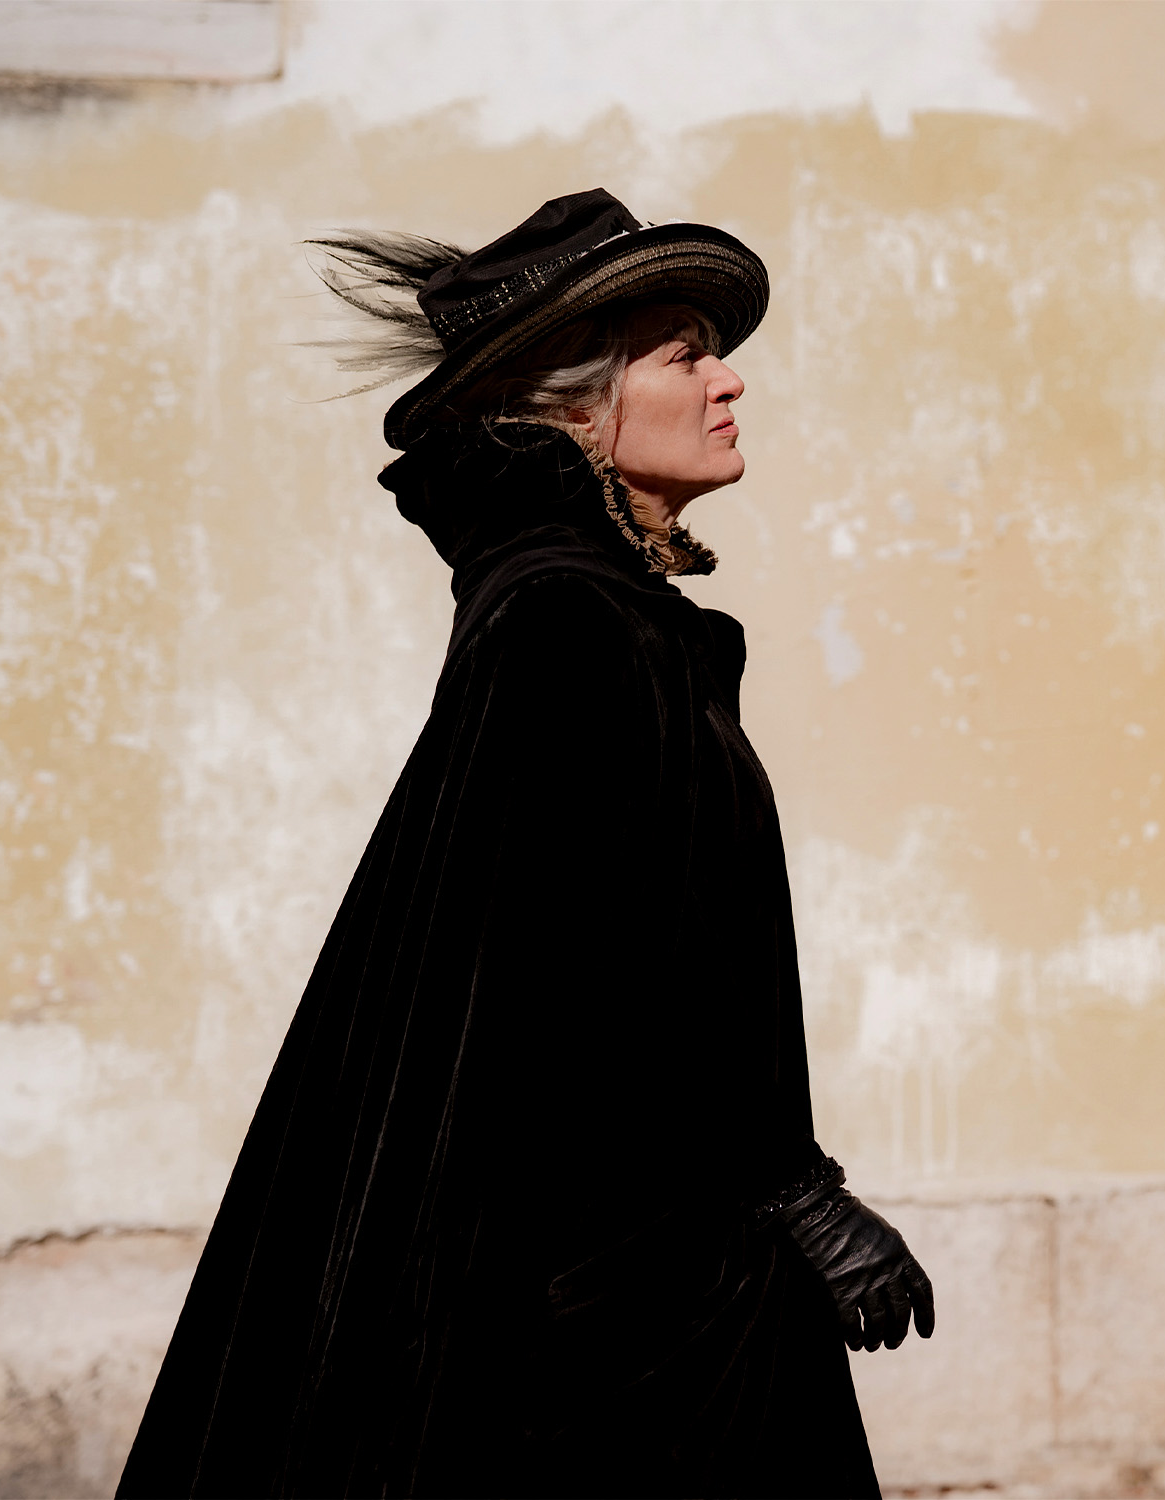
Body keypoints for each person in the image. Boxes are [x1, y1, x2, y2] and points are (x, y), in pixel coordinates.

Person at [117, 188, 934, 1499]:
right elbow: (588, 970)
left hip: (652, 1263)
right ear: (572, 405)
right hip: (609, 1312)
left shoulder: (610, 617)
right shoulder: (567, 624)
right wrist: (791, 1186)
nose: (730, 382)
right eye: (682, 354)